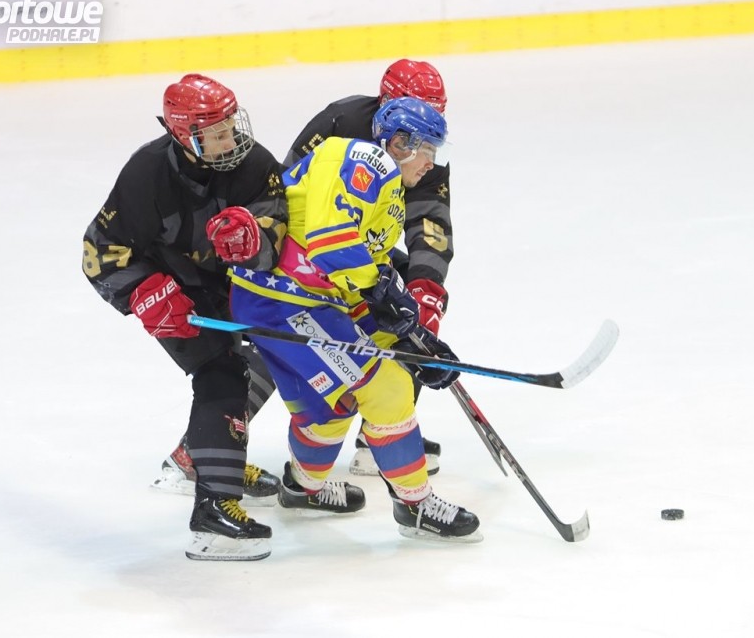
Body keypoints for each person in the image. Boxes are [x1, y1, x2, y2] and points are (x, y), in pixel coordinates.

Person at [226, 96, 481, 541]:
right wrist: (383, 292)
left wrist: (410, 336)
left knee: (330, 405)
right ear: (399, 143)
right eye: (427, 149)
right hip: (287, 300)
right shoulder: (367, 160)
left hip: (292, 299)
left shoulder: (389, 192)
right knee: (387, 387)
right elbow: (331, 243)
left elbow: (362, 273)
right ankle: (416, 505)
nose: (431, 162)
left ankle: (303, 488)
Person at [82, 73, 288, 561]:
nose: (229, 141)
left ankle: (199, 456)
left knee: (277, 353)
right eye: (215, 134)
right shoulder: (147, 173)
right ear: (182, 134)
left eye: (230, 127)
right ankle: (214, 515)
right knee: (221, 371)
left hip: (234, 284)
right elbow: (98, 253)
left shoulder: (255, 162)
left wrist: (257, 240)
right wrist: (145, 293)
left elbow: (281, 223)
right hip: (175, 292)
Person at [283, 59, 454, 477]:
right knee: (283, 333)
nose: (424, 124)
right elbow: (283, 190)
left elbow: (430, 223)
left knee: (410, 314)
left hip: (364, 251)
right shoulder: (342, 122)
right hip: (304, 251)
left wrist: (425, 288)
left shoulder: (423, 145)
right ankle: (207, 448)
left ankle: (378, 434)